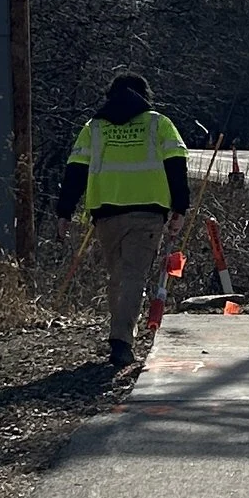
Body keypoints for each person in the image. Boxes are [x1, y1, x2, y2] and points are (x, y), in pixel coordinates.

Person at [57, 71, 190, 369]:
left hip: (106, 214)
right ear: (145, 95)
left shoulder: (94, 128)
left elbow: (75, 170)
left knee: (118, 276)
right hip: (148, 213)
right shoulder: (159, 124)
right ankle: (121, 341)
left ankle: (120, 333)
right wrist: (180, 208)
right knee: (131, 276)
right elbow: (177, 166)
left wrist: (64, 211)